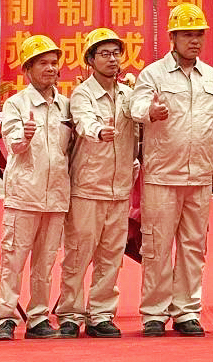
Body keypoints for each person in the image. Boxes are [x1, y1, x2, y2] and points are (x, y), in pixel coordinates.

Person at [130, 2, 213, 337]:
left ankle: (186, 311)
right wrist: (151, 112)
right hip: (162, 175)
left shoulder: (212, 77)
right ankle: (154, 313)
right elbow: (135, 105)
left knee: (193, 246)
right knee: (156, 246)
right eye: (187, 34)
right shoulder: (153, 75)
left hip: (199, 175)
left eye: (199, 34)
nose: (194, 40)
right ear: (172, 37)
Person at [57, 28, 138, 338]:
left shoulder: (128, 95)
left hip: (119, 188)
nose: (112, 59)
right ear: (90, 60)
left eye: (116, 53)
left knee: (111, 255)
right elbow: (84, 120)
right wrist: (98, 131)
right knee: (78, 253)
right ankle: (70, 314)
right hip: (88, 187)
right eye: (104, 54)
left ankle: (101, 314)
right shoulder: (82, 94)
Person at [0, 34, 71, 341]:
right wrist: (24, 137)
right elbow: (13, 145)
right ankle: (4, 318)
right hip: (25, 195)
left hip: (56, 196)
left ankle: (38, 318)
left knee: (45, 262)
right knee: (13, 259)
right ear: (27, 69)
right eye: (42, 63)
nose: (50, 68)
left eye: (53, 63)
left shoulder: (66, 105)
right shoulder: (16, 103)